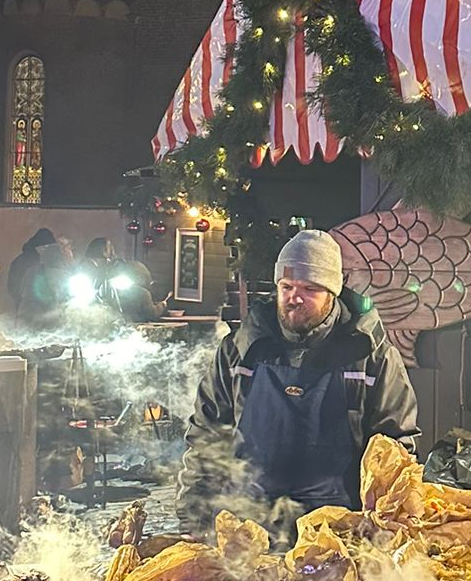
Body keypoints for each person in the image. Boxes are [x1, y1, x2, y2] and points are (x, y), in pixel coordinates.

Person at [177, 229, 418, 535]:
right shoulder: (242, 350)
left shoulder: (370, 355)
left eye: (310, 288)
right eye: (287, 286)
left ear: (332, 292)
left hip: (340, 530)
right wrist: (193, 521)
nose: (295, 297)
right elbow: (206, 437)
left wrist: (386, 529)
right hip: (249, 527)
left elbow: (396, 449)